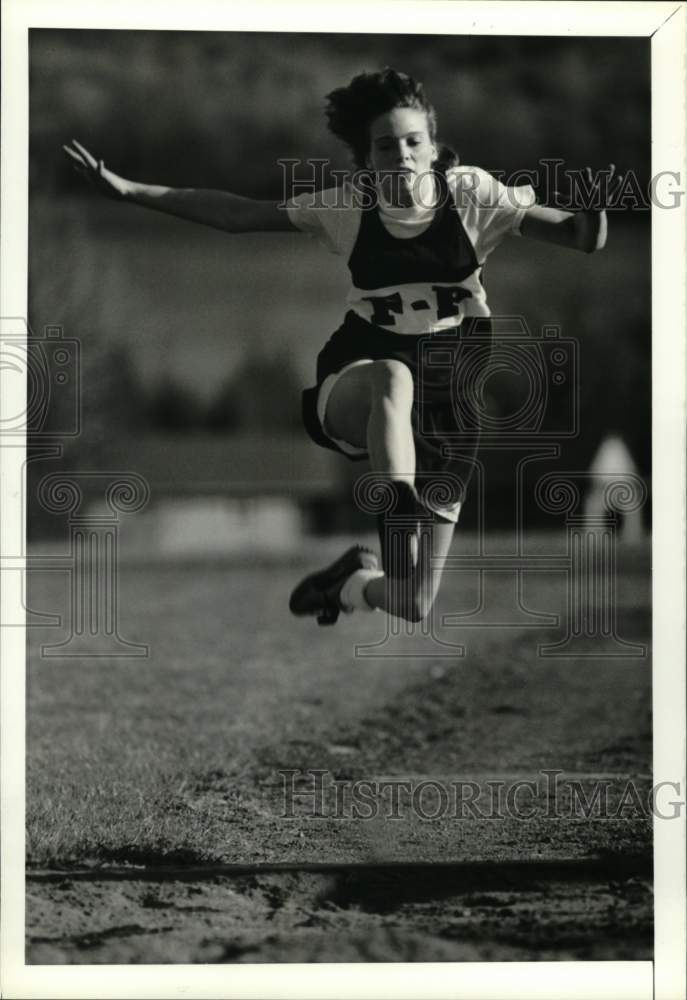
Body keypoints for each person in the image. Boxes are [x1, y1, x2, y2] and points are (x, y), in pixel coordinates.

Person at [63, 67, 621, 627]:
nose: (401, 154)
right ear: (367, 159)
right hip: (361, 369)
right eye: (385, 145)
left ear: (433, 148)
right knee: (392, 379)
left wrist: (590, 223)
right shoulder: (349, 208)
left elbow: (572, 232)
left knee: (413, 602)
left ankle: (350, 582)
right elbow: (237, 214)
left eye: (413, 141)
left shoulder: (472, 195)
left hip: (451, 394)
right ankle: (396, 503)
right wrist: (131, 191)